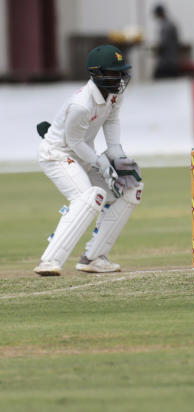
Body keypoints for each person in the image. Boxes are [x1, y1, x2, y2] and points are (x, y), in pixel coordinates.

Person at [33, 45, 144, 276]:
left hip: (84, 154)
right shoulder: (81, 104)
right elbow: (73, 143)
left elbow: (111, 123)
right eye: (114, 73)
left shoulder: (115, 93)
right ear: (98, 73)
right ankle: (49, 260)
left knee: (131, 189)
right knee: (89, 197)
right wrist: (102, 165)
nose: (120, 78)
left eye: (121, 72)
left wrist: (118, 157)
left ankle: (93, 258)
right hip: (57, 154)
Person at [152, 3, 181, 78]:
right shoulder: (170, 23)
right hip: (172, 60)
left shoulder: (166, 26)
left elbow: (163, 44)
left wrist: (156, 50)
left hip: (167, 62)